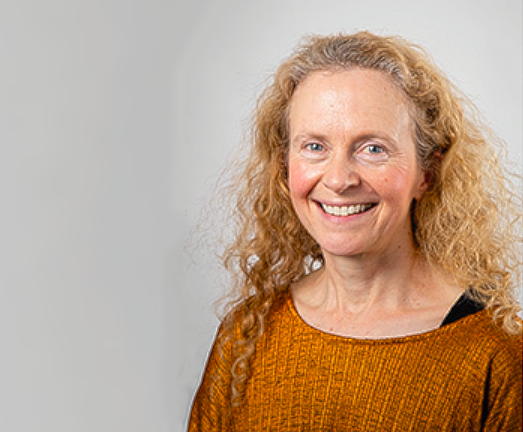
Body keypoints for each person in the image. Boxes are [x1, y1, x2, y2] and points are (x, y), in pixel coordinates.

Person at [188, 31, 522, 430]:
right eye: (314, 146)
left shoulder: (495, 353)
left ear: (427, 174)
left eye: (373, 148)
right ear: (284, 167)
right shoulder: (247, 334)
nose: (340, 179)